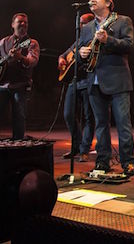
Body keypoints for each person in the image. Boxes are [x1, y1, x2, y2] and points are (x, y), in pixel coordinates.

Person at [78, 0, 134, 176]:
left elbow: (128, 46)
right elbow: (79, 52)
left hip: (118, 80)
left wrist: (108, 40)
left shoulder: (122, 21)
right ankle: (102, 160)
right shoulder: (87, 28)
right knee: (101, 123)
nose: (92, 0)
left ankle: (127, 161)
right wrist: (81, 53)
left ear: (108, 2)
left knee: (122, 123)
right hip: (94, 80)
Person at [0, 13, 40, 140]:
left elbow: (32, 61)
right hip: (0, 85)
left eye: (26, 22)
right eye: (20, 22)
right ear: (13, 24)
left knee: (19, 117)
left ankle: (17, 146)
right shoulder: (4, 41)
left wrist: (21, 58)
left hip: (20, 85)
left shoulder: (31, 43)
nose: (23, 24)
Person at [58, 13, 95, 162]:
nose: (80, 26)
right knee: (68, 114)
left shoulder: (93, 39)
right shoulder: (79, 40)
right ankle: (76, 146)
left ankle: (84, 150)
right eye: (80, 23)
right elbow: (64, 54)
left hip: (88, 81)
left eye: (84, 23)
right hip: (74, 81)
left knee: (88, 117)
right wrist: (61, 60)